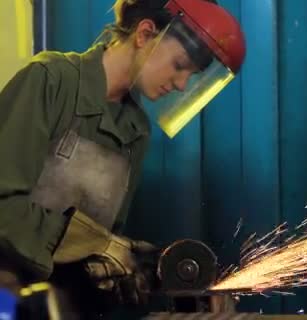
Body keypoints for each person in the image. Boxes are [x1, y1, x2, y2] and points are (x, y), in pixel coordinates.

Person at [0, 0, 246, 313]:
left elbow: (103, 251)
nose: (182, 84)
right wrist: (96, 245)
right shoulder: (50, 81)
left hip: (63, 305)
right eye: (180, 65)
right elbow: (3, 205)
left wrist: (157, 271)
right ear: (145, 34)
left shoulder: (135, 130)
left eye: (192, 75)